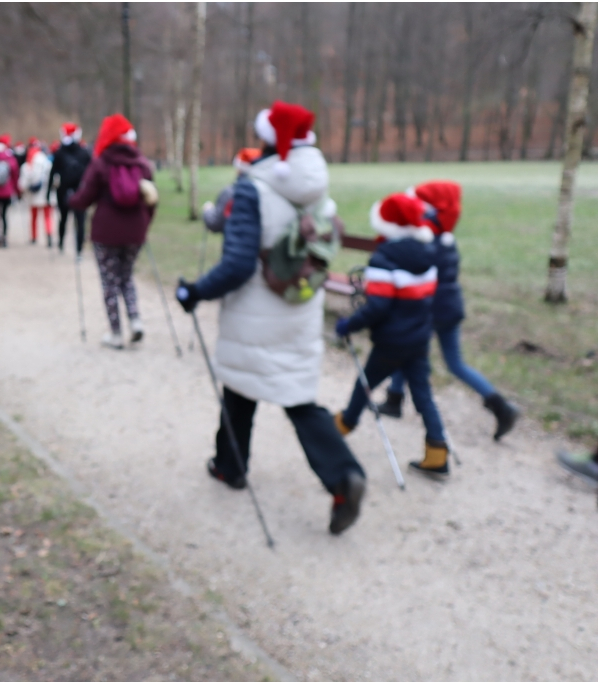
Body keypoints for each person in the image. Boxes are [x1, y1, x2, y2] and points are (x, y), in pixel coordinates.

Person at [175, 102, 366, 535]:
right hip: (298, 307)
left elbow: (239, 263)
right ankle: (341, 476)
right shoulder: (318, 185)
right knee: (296, 396)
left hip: (255, 310)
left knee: (241, 383)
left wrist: (195, 292)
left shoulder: (252, 188)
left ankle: (230, 467)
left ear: (268, 138)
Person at [377, 181, 520, 441]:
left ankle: (395, 401)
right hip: (450, 308)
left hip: (432, 310)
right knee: (454, 363)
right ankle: (500, 406)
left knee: (407, 351)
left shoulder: (426, 240)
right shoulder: (445, 236)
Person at [334, 192, 450, 479]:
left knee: (364, 383)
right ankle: (437, 452)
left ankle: (344, 425)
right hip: (419, 339)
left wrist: (348, 325)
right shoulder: (428, 253)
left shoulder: (384, 258)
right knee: (423, 395)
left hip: (391, 342)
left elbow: (378, 306)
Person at [69, 113, 154, 350]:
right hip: (135, 232)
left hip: (105, 233)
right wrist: (145, 225)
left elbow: (85, 197)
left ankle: (115, 333)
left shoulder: (101, 162)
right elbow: (152, 200)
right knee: (126, 277)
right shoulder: (142, 164)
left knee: (109, 281)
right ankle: (136, 321)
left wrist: (71, 201)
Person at [49, 122, 93, 255]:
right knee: (78, 220)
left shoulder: (59, 152)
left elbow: (52, 174)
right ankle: (78, 248)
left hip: (65, 191)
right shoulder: (83, 152)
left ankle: (64, 244)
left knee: (65, 218)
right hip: (79, 191)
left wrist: (48, 193)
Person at [201, 148, 263, 234]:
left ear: (239, 169)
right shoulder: (269, 191)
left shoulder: (231, 192)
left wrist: (207, 211)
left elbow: (215, 223)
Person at [18, 138, 55, 246]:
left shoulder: (28, 163)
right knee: (47, 216)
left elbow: (23, 183)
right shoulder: (47, 161)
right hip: (46, 194)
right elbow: (53, 178)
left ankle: (34, 237)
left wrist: (23, 190)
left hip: (33, 195)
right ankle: (49, 235)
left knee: (33, 217)